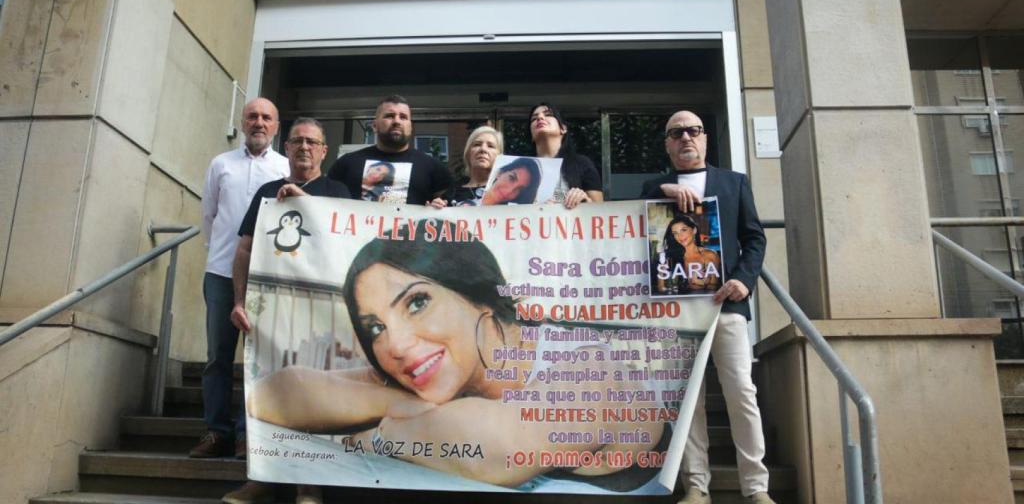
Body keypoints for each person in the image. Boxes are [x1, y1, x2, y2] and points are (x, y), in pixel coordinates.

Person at [246, 221, 670, 493]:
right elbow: (272, 395)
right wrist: (394, 402)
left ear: (478, 294)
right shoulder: (434, 366)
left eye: (416, 303)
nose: (394, 345)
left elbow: (501, 449)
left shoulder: (590, 370)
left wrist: (373, 435)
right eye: (376, 328)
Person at [640, 111, 772, 504]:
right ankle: (696, 486)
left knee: (741, 394)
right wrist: (663, 190)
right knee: (687, 402)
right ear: (667, 143)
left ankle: (756, 488)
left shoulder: (734, 183)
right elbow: (629, 227)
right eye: (676, 133)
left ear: (705, 138)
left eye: (693, 131)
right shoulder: (651, 187)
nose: (686, 138)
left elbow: (754, 238)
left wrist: (743, 281)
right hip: (676, 310)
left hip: (725, 306)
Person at [222, 117, 349, 504]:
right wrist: (239, 301)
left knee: (312, 396)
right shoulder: (265, 192)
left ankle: (309, 485)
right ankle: (262, 478)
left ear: (324, 151)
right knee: (266, 395)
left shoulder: (338, 192)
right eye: (297, 141)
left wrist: (305, 202)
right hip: (271, 313)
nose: (304, 148)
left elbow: (347, 241)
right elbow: (244, 249)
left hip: (320, 313)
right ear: (287, 147)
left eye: (312, 142)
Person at [192, 98, 289, 461]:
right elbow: (209, 215)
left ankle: (247, 435)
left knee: (258, 359)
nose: (258, 122)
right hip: (220, 273)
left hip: (266, 277)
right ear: (243, 122)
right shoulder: (221, 164)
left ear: (276, 126)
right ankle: (216, 431)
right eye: (252, 116)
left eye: (266, 117)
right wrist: (219, 253)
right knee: (217, 356)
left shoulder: (284, 167)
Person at [328, 95, 452, 205]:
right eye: (389, 116)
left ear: (411, 127)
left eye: (403, 117)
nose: (397, 121)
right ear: (375, 126)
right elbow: (326, 203)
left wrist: (439, 207)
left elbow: (448, 210)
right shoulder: (347, 163)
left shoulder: (433, 168)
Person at [529, 103, 602, 208]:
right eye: (533, 118)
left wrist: (585, 200)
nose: (540, 118)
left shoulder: (582, 164)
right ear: (531, 134)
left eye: (548, 114)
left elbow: (600, 212)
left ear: (563, 128)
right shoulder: (521, 168)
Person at [657, 214, 722, 294]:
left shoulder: (710, 255)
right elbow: (661, 288)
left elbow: (714, 288)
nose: (680, 236)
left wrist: (703, 284)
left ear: (694, 230)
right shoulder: (668, 257)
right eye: (675, 233)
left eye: (683, 230)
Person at [451, 126, 503, 206]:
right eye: (477, 144)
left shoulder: (508, 190)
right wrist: (433, 210)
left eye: (490, 146)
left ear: (499, 156)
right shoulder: (452, 193)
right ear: (468, 153)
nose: (483, 149)